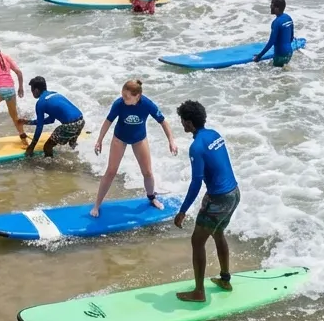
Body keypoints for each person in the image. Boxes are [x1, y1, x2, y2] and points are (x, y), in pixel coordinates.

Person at [173, 99, 240, 302]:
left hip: (218, 198)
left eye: (183, 121)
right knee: (218, 233)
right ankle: (225, 279)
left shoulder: (196, 147)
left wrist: (183, 210)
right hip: (234, 193)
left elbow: (196, 182)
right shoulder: (214, 135)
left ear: (190, 123)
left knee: (197, 241)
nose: (182, 124)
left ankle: (199, 292)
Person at [91, 78, 177, 217]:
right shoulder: (119, 104)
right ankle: (97, 205)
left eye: (127, 96)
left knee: (148, 172)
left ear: (138, 96)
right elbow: (108, 121)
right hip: (120, 138)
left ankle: (152, 198)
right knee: (111, 171)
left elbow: (163, 122)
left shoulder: (147, 104)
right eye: (123, 95)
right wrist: (99, 140)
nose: (123, 98)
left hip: (139, 139)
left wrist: (171, 141)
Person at [23, 76, 85, 158]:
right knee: (71, 144)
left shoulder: (40, 103)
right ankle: (82, 157)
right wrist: (28, 122)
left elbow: (39, 127)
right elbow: (51, 120)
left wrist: (32, 146)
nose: (32, 93)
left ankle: (50, 168)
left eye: (32, 91)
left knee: (47, 147)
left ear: (36, 90)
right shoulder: (55, 94)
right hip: (81, 121)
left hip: (70, 125)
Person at [253, 0, 295, 67]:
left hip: (280, 55)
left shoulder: (276, 22)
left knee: (274, 77)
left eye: (271, 6)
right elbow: (291, 37)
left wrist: (259, 56)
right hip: (289, 53)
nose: (270, 7)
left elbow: (271, 42)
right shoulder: (288, 18)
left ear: (277, 8)